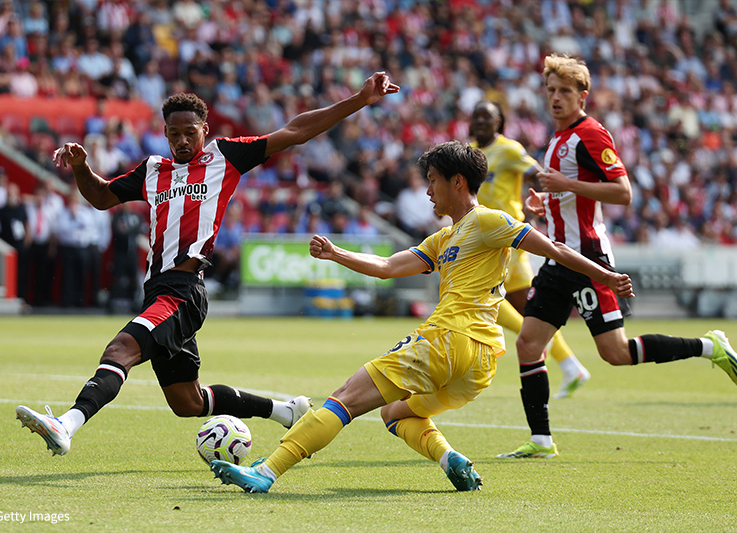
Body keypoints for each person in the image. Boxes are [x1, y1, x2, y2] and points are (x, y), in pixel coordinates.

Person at [208, 140, 634, 493]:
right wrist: (337, 253)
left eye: (432, 181)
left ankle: (265, 473)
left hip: (448, 338)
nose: (427, 191)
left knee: (346, 397)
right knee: (395, 413)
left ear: (458, 181)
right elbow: (388, 267)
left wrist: (606, 275)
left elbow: (555, 250)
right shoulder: (444, 237)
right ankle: (451, 459)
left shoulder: (488, 221)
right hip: (479, 361)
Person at [16, 72, 400, 456]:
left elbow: (295, 131)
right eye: (173, 134)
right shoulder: (153, 171)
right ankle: (285, 410)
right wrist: (82, 167)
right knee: (188, 403)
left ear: (205, 129)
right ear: (164, 134)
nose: (182, 141)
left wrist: (358, 100)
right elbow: (101, 197)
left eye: (189, 132)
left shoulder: (224, 156)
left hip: (183, 292)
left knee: (120, 349)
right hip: (158, 292)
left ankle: (66, 423)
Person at [499, 54, 737, 460]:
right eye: (551, 91)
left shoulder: (591, 134)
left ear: (582, 95)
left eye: (565, 91)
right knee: (528, 343)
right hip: (559, 258)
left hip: (590, 258)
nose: (556, 98)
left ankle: (708, 346)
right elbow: (574, 192)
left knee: (615, 354)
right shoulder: (557, 139)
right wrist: (549, 199)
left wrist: (566, 184)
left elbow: (623, 192)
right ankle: (541, 440)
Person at [469, 99, 590, 399]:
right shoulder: (470, 152)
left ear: (499, 122)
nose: (481, 121)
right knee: (505, 305)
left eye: (488, 116)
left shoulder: (508, 149)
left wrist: (543, 203)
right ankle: (568, 363)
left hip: (508, 237)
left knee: (509, 304)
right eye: (477, 116)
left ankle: (565, 361)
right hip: (483, 240)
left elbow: (537, 174)